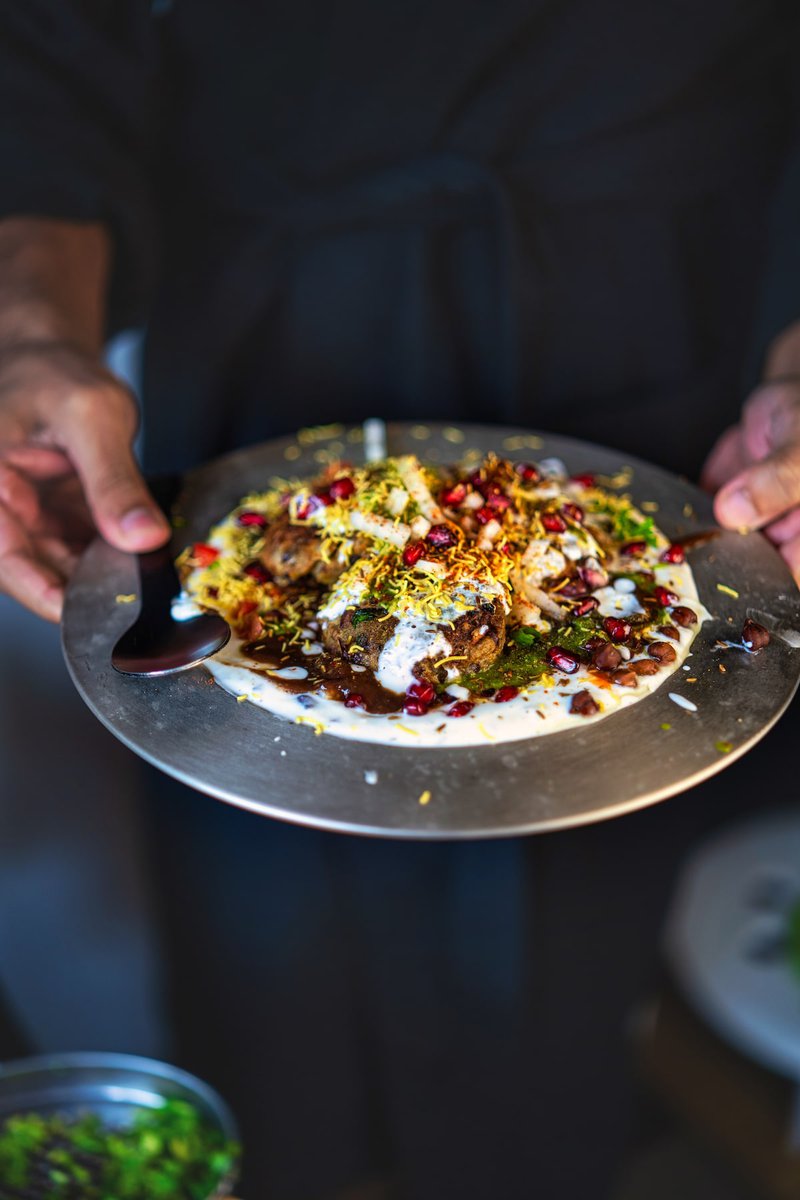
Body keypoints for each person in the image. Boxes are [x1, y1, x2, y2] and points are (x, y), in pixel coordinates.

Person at [1, 3, 799, 1196]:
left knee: (573, 929)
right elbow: (59, 46)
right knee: (261, 908)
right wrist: (26, 321)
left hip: (648, 304)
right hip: (262, 324)